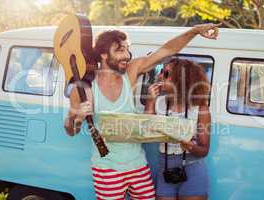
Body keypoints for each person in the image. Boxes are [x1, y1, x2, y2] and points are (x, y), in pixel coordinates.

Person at [64, 24, 219, 200]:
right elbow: (71, 130)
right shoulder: (85, 88)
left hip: (138, 165)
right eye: (120, 50)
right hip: (106, 168)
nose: (127, 55)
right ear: (103, 54)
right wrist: (74, 115)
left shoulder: (131, 72)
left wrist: (194, 31)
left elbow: (166, 50)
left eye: (127, 49)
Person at [145, 58, 211, 200]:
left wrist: (191, 147)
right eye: (161, 71)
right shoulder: (158, 102)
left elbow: (204, 150)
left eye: (166, 74)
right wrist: (150, 101)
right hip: (166, 170)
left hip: (193, 170)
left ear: (181, 80)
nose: (160, 76)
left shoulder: (200, 108)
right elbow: (146, 129)